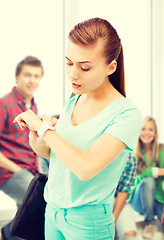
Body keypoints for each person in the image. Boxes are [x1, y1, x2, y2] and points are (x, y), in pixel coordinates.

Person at [14, 18, 142, 240]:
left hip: (87, 222)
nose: (73, 74)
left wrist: (45, 130)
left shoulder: (126, 114)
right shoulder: (75, 100)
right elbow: (62, 158)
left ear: (111, 67)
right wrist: (39, 144)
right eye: (69, 62)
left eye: (84, 67)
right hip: (52, 209)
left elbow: (85, 168)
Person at [0, 56, 44, 240]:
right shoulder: (4, 104)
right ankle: (9, 232)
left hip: (30, 169)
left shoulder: (32, 107)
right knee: (38, 199)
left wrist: (40, 171)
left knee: (41, 198)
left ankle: (11, 233)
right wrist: (19, 170)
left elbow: (31, 144)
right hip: (9, 172)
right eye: (27, 75)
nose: (32, 80)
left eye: (36, 76)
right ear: (17, 77)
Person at [129, 116, 164, 239]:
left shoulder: (161, 150)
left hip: (157, 198)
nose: (146, 133)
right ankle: (149, 223)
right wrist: (159, 171)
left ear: (155, 133)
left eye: (150, 129)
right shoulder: (134, 153)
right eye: (143, 129)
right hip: (138, 199)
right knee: (148, 181)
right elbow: (141, 174)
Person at [113, 152, 140, 240]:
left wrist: (113, 219)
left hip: (117, 200)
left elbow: (123, 191)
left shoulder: (130, 158)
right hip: (96, 202)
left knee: (130, 234)